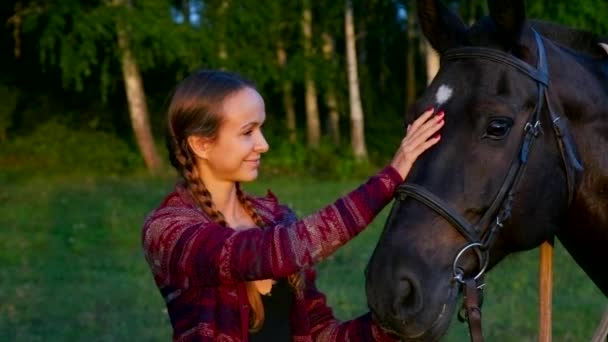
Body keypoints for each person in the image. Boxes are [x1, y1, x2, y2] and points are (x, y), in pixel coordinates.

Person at [141, 69, 444, 342]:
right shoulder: (168, 231)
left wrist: (393, 326)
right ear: (201, 144)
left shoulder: (276, 217)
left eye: (261, 128)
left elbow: (320, 333)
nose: (264, 144)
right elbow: (274, 252)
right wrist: (389, 179)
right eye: (248, 132)